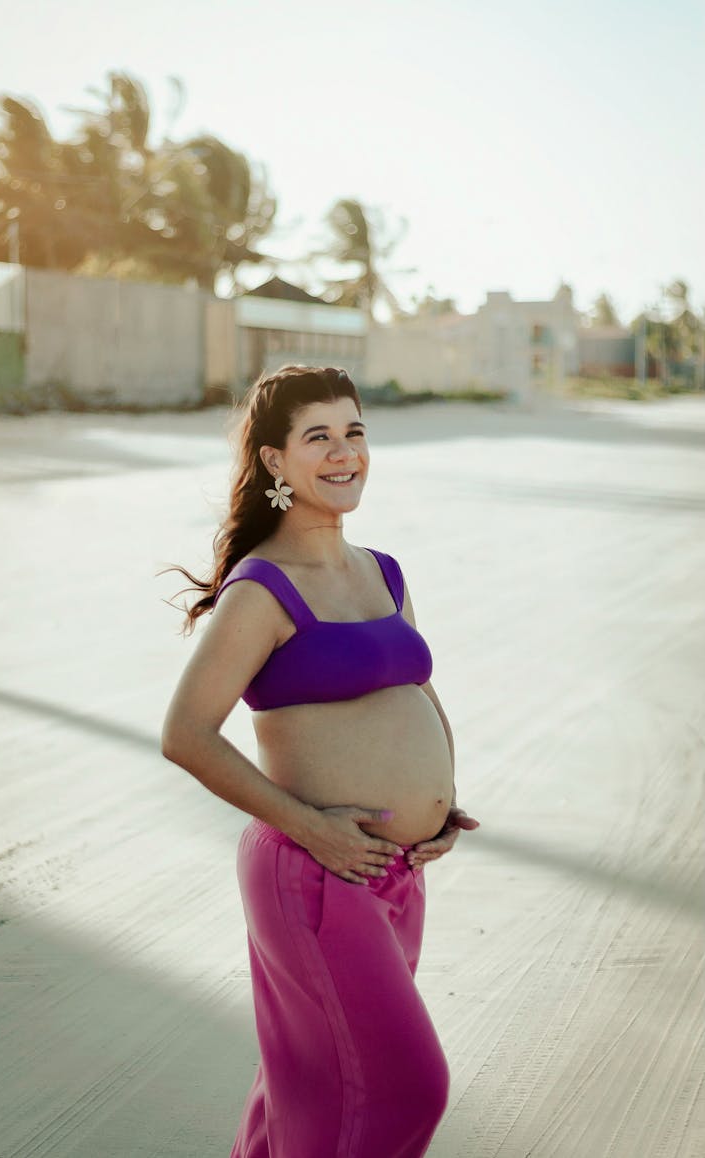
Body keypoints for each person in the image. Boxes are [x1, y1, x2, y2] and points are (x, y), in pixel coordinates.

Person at [161, 364, 479, 1158]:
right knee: (406, 1085)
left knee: (314, 1085)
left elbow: (414, 688)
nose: (345, 454)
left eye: (355, 432)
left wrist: (443, 801)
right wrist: (310, 829)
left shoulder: (382, 571)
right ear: (276, 462)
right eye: (319, 438)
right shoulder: (262, 590)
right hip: (317, 871)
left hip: (393, 869)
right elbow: (186, 734)